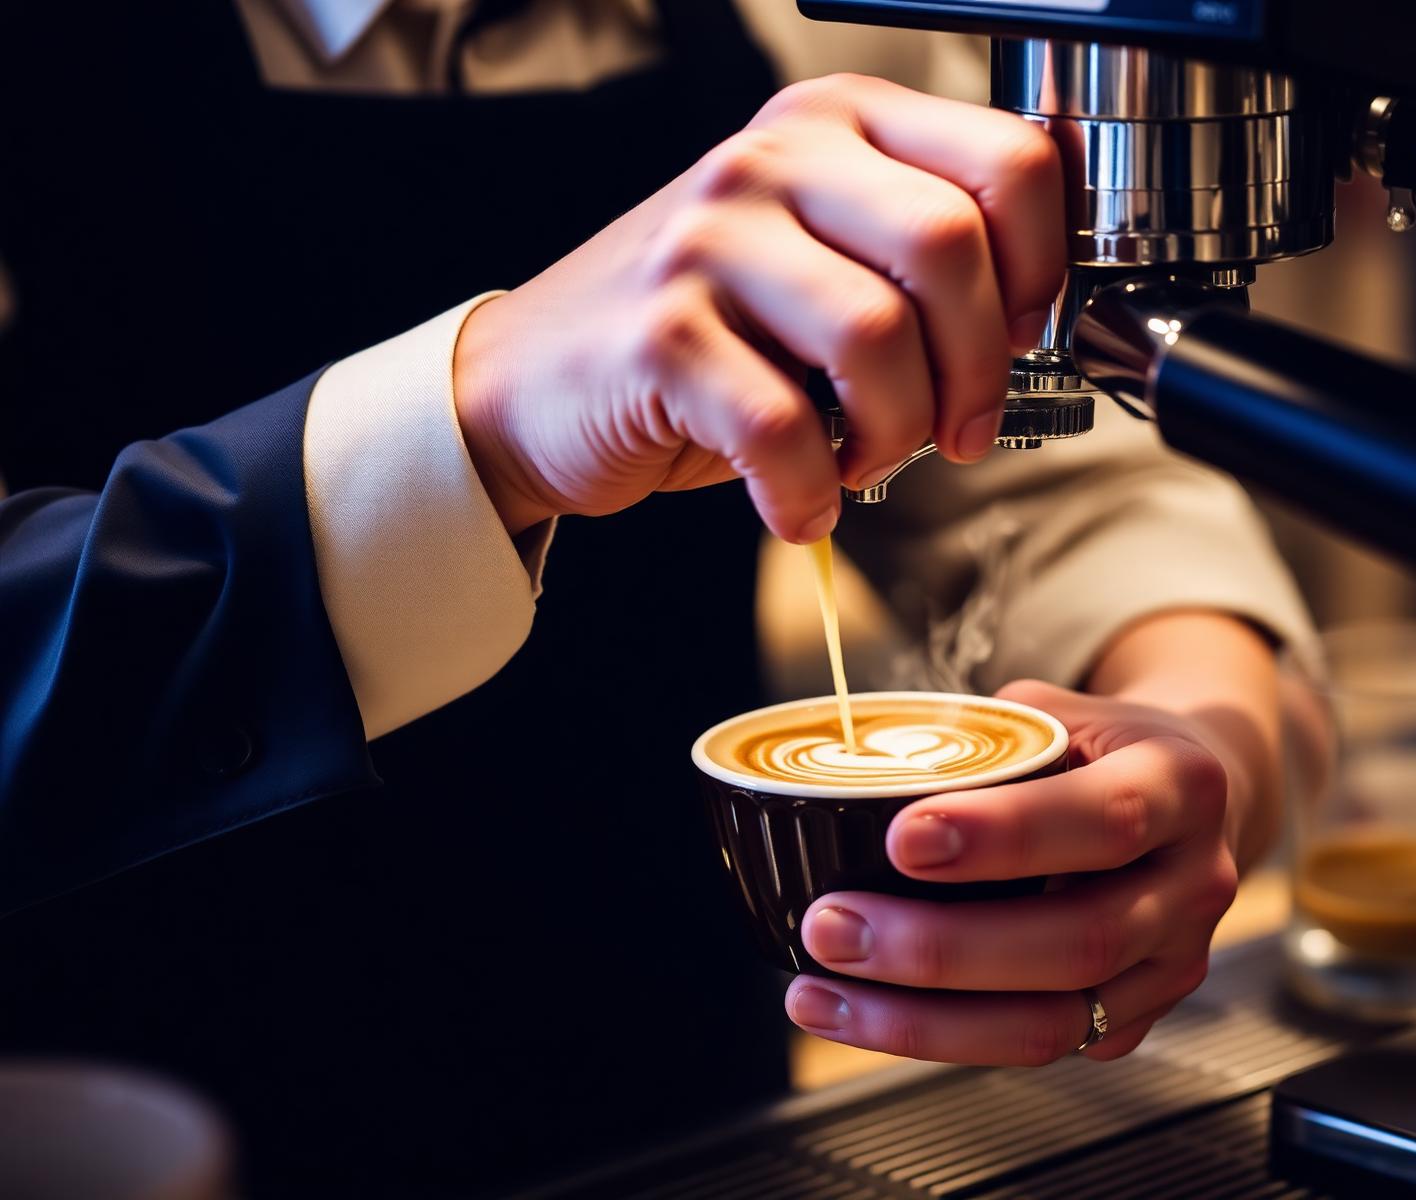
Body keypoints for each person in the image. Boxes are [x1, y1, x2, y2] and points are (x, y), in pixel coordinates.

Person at [0, 4, 1312, 1196]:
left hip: (693, 1124)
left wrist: (1191, 756)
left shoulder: (807, 29)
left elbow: (1040, 479)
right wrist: (482, 417)